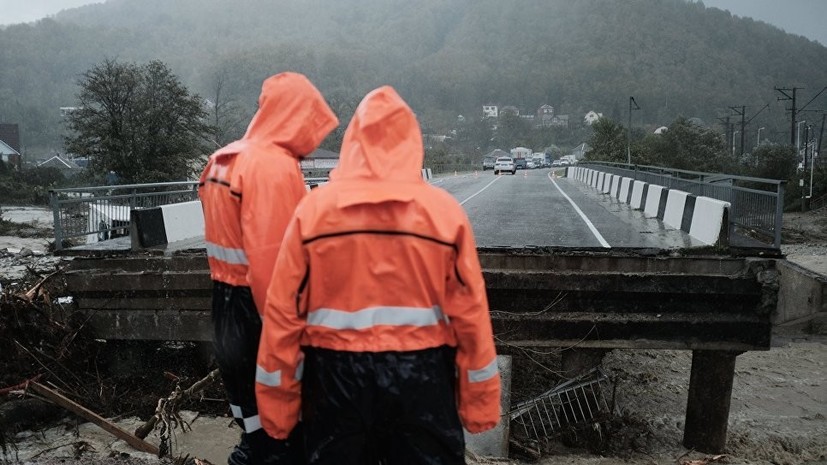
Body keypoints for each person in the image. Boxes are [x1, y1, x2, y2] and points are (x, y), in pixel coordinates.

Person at [256, 86, 501, 464]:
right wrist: (479, 403)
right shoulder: (443, 214)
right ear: (412, 141)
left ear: (353, 141)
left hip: (335, 380)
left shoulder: (314, 212)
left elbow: (283, 315)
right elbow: (471, 314)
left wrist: (278, 409)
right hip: (421, 378)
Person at [199, 72, 338, 465]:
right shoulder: (272, 167)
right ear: (293, 116)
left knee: (248, 405)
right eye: (310, 124)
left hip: (225, 303)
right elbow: (274, 261)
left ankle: (252, 450)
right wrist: (290, 331)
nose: (313, 140)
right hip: (260, 307)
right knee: (284, 420)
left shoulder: (222, 160)